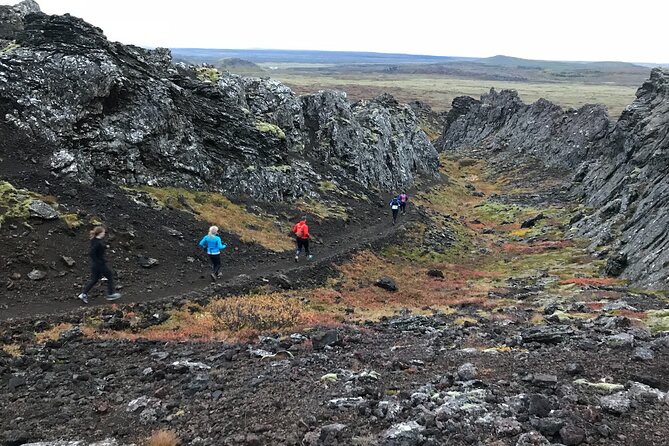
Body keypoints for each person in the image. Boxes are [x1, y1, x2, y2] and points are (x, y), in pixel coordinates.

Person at [78, 226, 121, 304]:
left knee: (94, 279)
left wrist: (105, 247)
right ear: (100, 233)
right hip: (100, 264)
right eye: (103, 232)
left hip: (95, 264)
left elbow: (98, 247)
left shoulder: (95, 240)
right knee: (110, 275)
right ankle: (111, 294)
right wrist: (99, 261)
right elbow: (92, 252)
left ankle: (83, 294)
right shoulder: (98, 242)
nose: (104, 234)